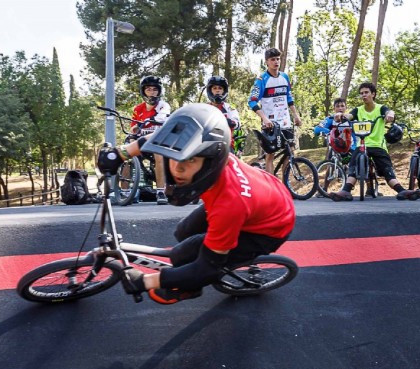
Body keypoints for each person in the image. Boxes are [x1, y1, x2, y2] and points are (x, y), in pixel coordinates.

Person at [96, 103, 295, 305]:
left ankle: (190, 290)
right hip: (264, 197)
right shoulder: (212, 153)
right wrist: (121, 153)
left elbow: (205, 269)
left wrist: (145, 281)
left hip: (272, 226)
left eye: (190, 160)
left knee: (183, 255)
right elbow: (159, 139)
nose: (178, 168)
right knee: (183, 232)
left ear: (210, 160)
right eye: (176, 157)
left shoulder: (229, 204)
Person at [327, 82, 420, 201]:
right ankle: (345, 191)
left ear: (373, 94)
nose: (363, 95)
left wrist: (390, 115)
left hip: (378, 145)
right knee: (353, 164)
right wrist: (341, 116)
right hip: (362, 144)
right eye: (361, 93)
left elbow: (389, 112)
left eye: (366, 92)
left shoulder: (380, 108)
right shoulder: (358, 110)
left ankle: (402, 191)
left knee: (387, 170)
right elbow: (349, 116)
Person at [248, 47, 302, 174]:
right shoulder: (261, 80)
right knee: (270, 155)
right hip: (270, 123)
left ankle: (286, 187)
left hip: (285, 122)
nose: (276, 62)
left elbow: (289, 97)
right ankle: (271, 186)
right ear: (267, 62)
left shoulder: (285, 77)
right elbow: (252, 101)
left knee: (290, 153)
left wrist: (296, 115)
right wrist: (264, 119)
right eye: (273, 59)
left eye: (278, 59)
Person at [131, 75, 171, 204]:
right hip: (142, 142)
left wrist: (149, 122)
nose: (152, 92)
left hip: (158, 141)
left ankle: (160, 191)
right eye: (148, 89)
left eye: (155, 89)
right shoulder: (138, 109)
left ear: (159, 91)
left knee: (158, 155)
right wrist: (136, 129)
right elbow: (133, 128)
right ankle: (125, 192)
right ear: (143, 91)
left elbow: (162, 117)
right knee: (126, 152)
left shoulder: (163, 106)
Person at [205, 75, 241, 152]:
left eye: (220, 88)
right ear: (210, 90)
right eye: (214, 88)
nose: (217, 90)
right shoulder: (204, 108)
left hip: (226, 145)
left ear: (224, 91)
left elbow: (237, 123)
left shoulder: (229, 108)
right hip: (207, 144)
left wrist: (230, 122)